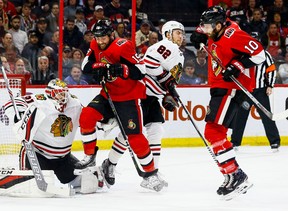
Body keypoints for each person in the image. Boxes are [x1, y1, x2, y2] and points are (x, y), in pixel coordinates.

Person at [78, 19, 166, 192]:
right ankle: (89, 156)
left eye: (103, 37)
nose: (100, 41)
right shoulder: (95, 44)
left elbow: (140, 71)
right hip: (108, 94)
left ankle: (150, 174)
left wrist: (122, 69)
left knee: (135, 138)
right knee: (86, 116)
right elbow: (85, 66)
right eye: (97, 37)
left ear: (111, 35)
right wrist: (99, 66)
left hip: (128, 98)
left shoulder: (123, 45)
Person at [190, 5, 266, 199]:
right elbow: (204, 32)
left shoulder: (234, 35)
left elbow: (259, 54)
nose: (205, 30)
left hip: (231, 88)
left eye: (207, 27)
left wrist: (238, 65)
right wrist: (200, 34)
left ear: (218, 25)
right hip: (220, 87)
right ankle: (231, 175)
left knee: (212, 131)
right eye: (204, 27)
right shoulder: (217, 29)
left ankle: (236, 174)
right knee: (219, 132)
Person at [100, 20, 184, 188]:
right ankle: (111, 163)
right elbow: (149, 65)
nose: (181, 36)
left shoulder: (178, 52)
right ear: (167, 34)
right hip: (141, 93)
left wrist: (168, 93)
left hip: (150, 96)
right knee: (131, 134)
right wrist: (166, 81)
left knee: (155, 130)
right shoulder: (167, 46)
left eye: (182, 33)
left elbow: (168, 78)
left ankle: (151, 172)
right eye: (177, 32)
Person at [3, 79, 102, 195]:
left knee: (89, 183)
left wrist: (102, 121)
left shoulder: (74, 103)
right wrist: (17, 116)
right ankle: (7, 180)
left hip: (63, 157)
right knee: (32, 186)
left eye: (64, 93)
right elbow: (10, 104)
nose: (62, 97)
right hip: (37, 154)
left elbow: (87, 119)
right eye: (59, 93)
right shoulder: (39, 100)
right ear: (50, 93)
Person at [231, 51, 281, 151]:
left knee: (267, 116)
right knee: (240, 117)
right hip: (245, 91)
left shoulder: (265, 54)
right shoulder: (241, 53)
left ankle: (274, 142)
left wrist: (270, 85)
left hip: (260, 91)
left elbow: (271, 69)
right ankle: (235, 142)